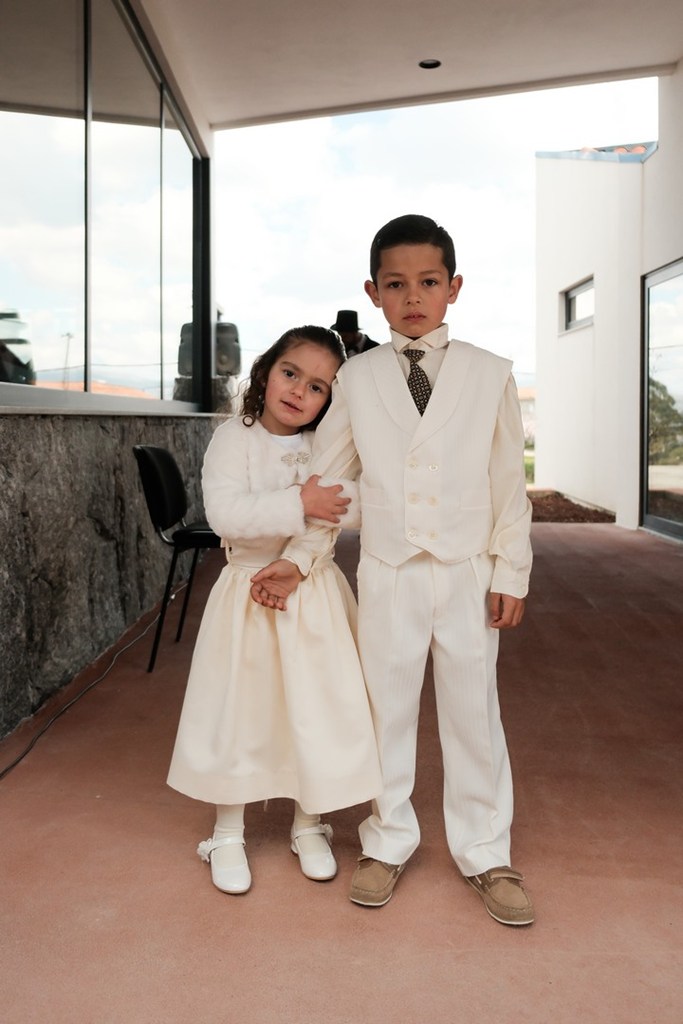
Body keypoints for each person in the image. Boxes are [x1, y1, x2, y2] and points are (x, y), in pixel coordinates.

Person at [251, 215, 534, 926]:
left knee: (474, 713)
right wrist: (299, 559)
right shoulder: (358, 376)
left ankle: (485, 850)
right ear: (373, 292)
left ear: (453, 288)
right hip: (389, 569)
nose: (413, 297)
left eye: (428, 282)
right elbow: (329, 479)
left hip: (467, 569)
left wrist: (511, 572)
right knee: (386, 709)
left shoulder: (490, 372)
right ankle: (387, 839)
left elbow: (509, 484)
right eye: (397, 284)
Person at [167, 325, 382, 895]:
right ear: (266, 372)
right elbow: (227, 515)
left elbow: (356, 506)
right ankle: (227, 832)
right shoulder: (233, 439)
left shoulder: (325, 446)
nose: (298, 391)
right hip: (247, 592)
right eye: (291, 373)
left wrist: (313, 520)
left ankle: (309, 823)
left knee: (313, 707)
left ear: (329, 401)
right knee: (242, 709)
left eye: (317, 387)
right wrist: (303, 501)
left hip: (312, 594)